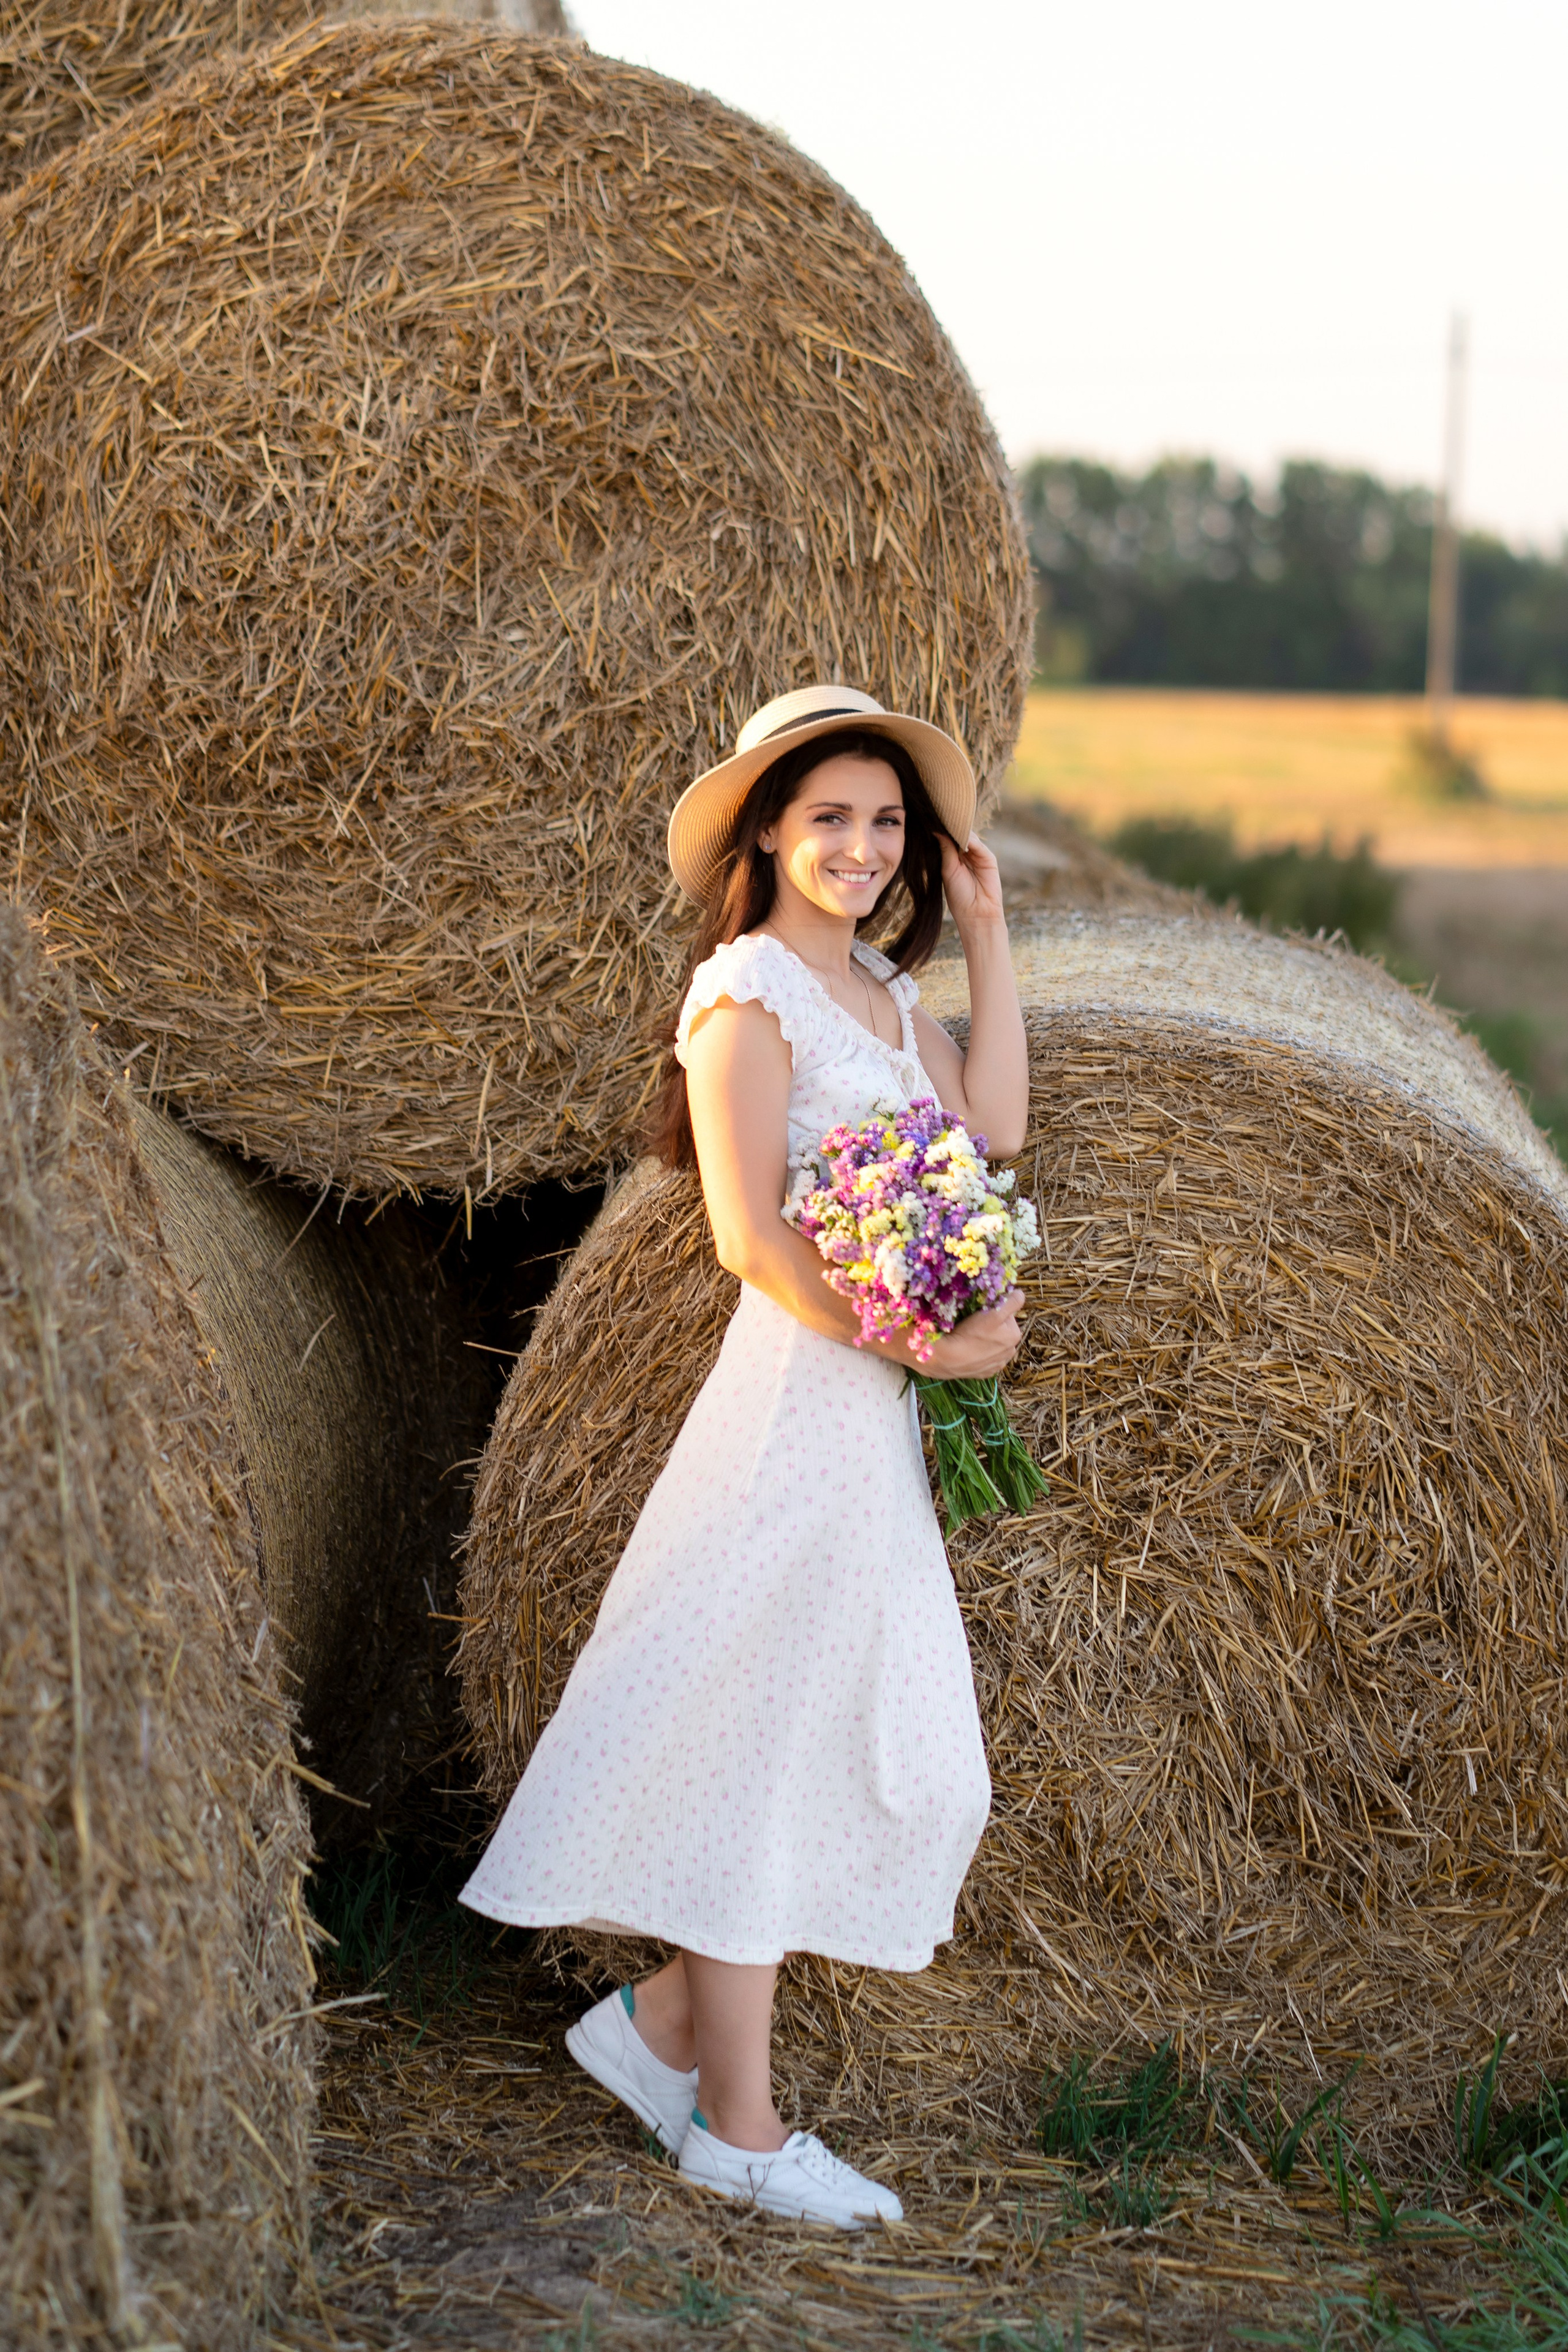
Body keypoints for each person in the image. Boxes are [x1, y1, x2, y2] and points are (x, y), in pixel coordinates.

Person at [459, 683, 1030, 2229]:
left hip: (869, 1433)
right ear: (770, 833)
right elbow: (747, 1235)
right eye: (828, 816)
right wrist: (923, 1339)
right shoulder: (744, 994)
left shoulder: (891, 1004)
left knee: (899, 1758)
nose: (858, 845)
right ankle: (738, 2125)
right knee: (772, 1748)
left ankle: (653, 2029)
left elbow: (992, 1136)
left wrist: (980, 929)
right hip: (795, 1410)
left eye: (885, 822)